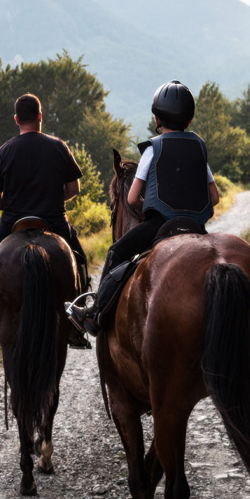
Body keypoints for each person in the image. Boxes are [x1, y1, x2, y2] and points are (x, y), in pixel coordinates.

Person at [67, 80, 219, 335]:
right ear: (189, 122)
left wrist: (147, 206)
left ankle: (94, 314)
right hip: (196, 227)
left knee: (116, 251)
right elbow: (213, 197)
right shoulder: (198, 147)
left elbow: (131, 199)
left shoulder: (153, 149)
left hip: (160, 224)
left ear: (156, 118)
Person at [0, 93, 88, 346]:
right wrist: (53, 200)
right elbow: (73, 188)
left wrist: (11, 205)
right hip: (54, 222)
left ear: (16, 119)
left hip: (12, 223)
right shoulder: (58, 146)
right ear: (40, 117)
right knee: (78, 259)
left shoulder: (3, 152)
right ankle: (77, 325)